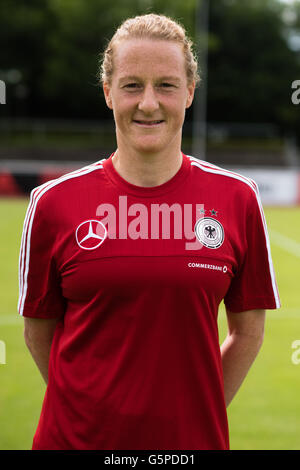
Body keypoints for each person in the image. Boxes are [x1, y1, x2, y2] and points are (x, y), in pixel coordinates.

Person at [18, 13, 280, 450]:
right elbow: (37, 331)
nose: (149, 103)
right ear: (108, 92)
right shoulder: (52, 203)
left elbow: (248, 331)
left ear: (190, 91)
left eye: (166, 85)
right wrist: (90, 411)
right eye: (132, 84)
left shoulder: (238, 197)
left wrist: (196, 411)